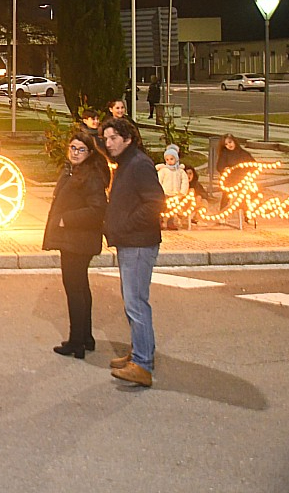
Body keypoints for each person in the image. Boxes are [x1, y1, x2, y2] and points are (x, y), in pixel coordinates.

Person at [101, 117, 165, 387]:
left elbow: (155, 203)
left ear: (128, 138)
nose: (108, 143)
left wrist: (125, 225)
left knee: (136, 303)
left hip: (138, 243)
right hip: (130, 242)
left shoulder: (138, 164)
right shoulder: (127, 162)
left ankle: (142, 364)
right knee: (133, 303)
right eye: (106, 138)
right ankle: (139, 352)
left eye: (113, 137)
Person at [41, 130, 109, 359]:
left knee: (74, 290)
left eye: (81, 149)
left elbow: (97, 209)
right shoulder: (72, 170)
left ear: (90, 153)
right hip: (71, 239)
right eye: (73, 148)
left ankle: (76, 341)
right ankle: (86, 337)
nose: (76, 153)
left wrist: (66, 219)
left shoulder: (90, 176)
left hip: (78, 240)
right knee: (80, 287)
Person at [215, 133, 255, 212]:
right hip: (230, 180)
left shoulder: (243, 153)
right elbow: (219, 166)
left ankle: (247, 216)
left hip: (243, 179)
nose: (229, 145)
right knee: (226, 196)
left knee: (246, 197)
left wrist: (249, 172)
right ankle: (222, 215)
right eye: (226, 144)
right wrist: (224, 169)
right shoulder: (224, 154)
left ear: (234, 141)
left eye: (230, 142)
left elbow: (253, 164)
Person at [156, 144, 189, 230]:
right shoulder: (163, 170)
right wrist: (159, 191)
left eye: (171, 159)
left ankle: (171, 223)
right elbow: (159, 181)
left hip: (175, 194)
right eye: (167, 159)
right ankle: (159, 222)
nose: (169, 161)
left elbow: (184, 181)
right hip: (165, 193)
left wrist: (183, 191)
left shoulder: (180, 171)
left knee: (172, 210)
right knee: (162, 208)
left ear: (176, 159)